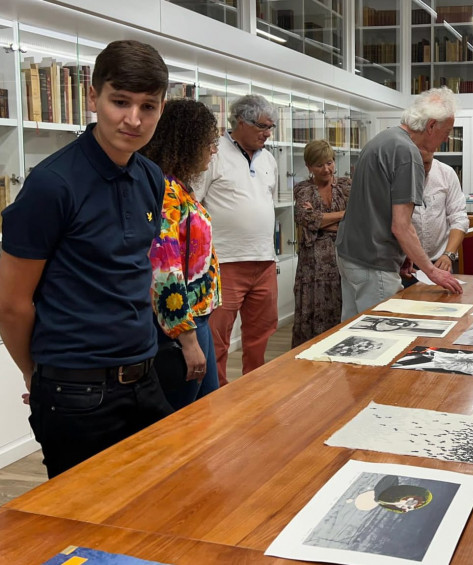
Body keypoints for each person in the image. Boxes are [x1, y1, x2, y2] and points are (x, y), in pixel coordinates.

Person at [0, 40, 173, 478]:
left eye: (148, 106)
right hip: (76, 390)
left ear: (161, 108)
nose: (133, 120)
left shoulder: (150, 177)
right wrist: (35, 375)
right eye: (120, 102)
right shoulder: (52, 184)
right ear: (93, 97)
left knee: (158, 506)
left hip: (145, 374)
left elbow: (135, 271)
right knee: (86, 530)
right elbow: (11, 303)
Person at [336, 87, 463, 321]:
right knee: (379, 338)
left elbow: (375, 206)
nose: (446, 140)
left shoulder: (383, 139)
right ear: (431, 125)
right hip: (375, 262)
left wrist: (404, 254)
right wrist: (432, 271)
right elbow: (401, 226)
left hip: (350, 255)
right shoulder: (408, 153)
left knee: (352, 333)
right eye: (446, 133)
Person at [141, 99, 222, 410]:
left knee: (203, 419)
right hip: (180, 327)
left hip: (194, 320)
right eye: (208, 142)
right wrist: (186, 338)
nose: (213, 150)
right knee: (184, 425)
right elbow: (164, 270)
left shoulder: (178, 187)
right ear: (186, 142)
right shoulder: (167, 193)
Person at [195, 94, 278, 385]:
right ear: (240, 122)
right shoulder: (213, 154)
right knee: (218, 337)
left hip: (264, 260)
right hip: (225, 261)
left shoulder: (268, 158)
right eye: (262, 126)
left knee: (261, 333)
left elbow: (267, 199)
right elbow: (194, 204)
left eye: (272, 127)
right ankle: (217, 396)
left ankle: (253, 389)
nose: (267, 133)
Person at [292, 140, 351, 347]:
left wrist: (320, 222)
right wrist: (343, 215)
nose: (326, 169)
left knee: (342, 308)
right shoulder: (302, 189)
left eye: (329, 163)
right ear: (309, 167)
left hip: (342, 262)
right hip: (312, 267)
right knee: (311, 312)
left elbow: (356, 219)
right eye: (319, 165)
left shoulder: (346, 186)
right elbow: (305, 219)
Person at [409, 148, 469, 276]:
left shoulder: (446, 173)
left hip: (441, 261)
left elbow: (459, 218)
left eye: (426, 163)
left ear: (433, 153)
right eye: (417, 163)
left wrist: (448, 254)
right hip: (406, 263)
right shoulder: (397, 174)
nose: (422, 168)